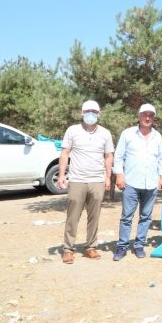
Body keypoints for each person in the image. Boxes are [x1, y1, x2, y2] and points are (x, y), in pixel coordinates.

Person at [58, 100, 114, 264]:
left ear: (99, 114)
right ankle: (68, 249)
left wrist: (107, 177)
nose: (91, 114)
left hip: (97, 180)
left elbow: (109, 156)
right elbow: (65, 153)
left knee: (94, 216)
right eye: (88, 111)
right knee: (73, 215)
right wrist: (62, 174)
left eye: (94, 111)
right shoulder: (72, 130)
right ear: (82, 113)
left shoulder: (105, 133)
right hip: (77, 179)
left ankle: (91, 247)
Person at [113, 104, 162, 261]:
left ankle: (139, 245)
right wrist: (119, 175)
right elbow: (118, 156)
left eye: (150, 115)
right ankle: (122, 246)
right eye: (144, 114)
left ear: (153, 118)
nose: (147, 118)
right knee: (126, 217)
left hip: (150, 184)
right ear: (139, 116)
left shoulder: (157, 136)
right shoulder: (127, 134)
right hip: (131, 182)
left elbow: (161, 159)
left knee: (146, 217)